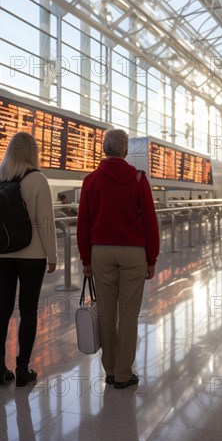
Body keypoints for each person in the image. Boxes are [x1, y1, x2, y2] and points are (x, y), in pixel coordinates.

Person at [77, 129, 159, 389]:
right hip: (133, 252)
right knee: (128, 314)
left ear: (104, 149)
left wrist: (85, 259)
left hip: (101, 251)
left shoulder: (91, 180)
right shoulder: (137, 178)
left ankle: (110, 370)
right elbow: (149, 221)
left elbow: (83, 224)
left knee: (106, 312)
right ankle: (124, 373)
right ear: (125, 151)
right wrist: (152, 257)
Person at [0, 132, 57, 387]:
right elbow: (45, 223)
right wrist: (53, 255)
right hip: (32, 255)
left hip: (0, 254)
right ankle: (23, 369)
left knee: (2, 309)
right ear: (32, 152)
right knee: (28, 311)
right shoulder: (37, 179)